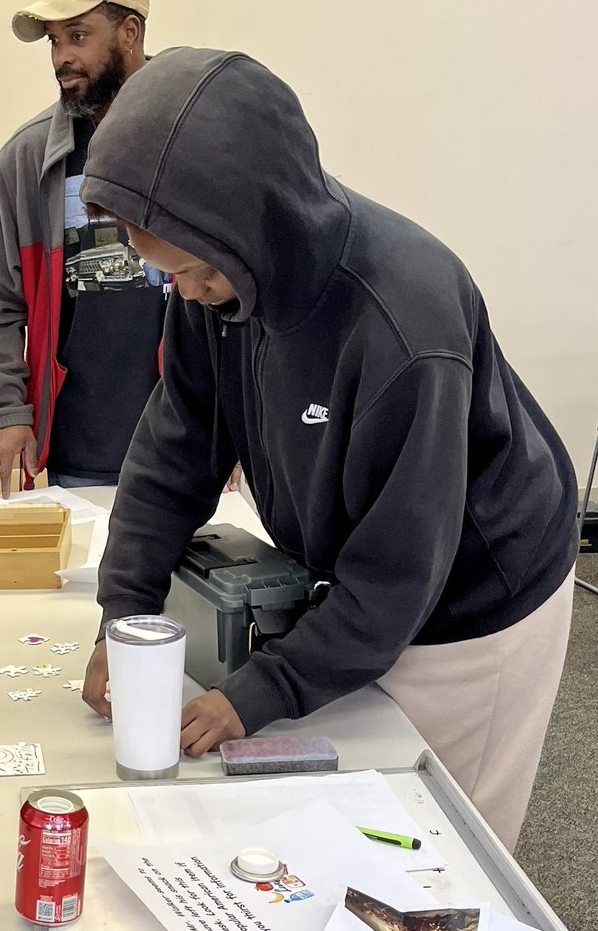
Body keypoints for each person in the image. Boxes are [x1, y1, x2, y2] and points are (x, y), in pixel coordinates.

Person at [79, 47, 577, 851]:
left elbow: (398, 571)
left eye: (201, 274)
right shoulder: (215, 277)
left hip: (477, 601)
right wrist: (124, 618)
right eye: (172, 276)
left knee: (443, 854)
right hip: (367, 584)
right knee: (346, 830)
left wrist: (264, 686)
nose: (191, 295)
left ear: (252, 230)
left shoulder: (404, 325)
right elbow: (174, 450)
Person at [0, 0, 169, 498]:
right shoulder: (28, 160)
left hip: (200, 456)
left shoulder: (196, 143)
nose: (63, 58)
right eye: (55, 42)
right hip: (82, 458)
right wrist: (8, 413)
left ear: (130, 33)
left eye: (79, 36)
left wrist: (245, 427)